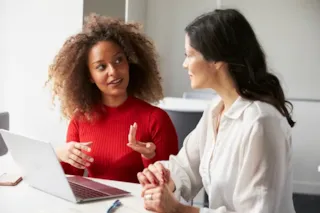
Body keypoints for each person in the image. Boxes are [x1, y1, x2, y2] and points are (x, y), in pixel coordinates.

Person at [137, 9, 296, 213]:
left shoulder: (260, 122)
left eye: (190, 55)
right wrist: (163, 178)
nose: (184, 64)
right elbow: (186, 166)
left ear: (217, 61)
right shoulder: (216, 108)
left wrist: (178, 209)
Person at [46, 14, 178, 183]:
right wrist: (59, 154)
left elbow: (170, 186)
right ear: (90, 76)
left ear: (128, 63)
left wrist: (149, 157)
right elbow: (70, 180)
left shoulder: (156, 119)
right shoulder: (80, 120)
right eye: (101, 67)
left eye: (118, 60)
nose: (113, 72)